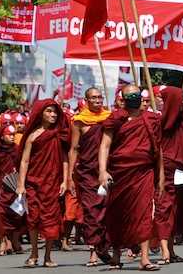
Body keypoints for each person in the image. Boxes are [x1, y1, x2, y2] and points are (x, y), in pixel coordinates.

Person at [98, 84, 164, 271]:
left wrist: (160, 177)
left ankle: (144, 258)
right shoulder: (116, 118)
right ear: (123, 99)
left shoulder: (151, 119)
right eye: (130, 96)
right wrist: (103, 171)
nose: (133, 98)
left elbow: (158, 150)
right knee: (118, 214)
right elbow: (105, 145)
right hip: (120, 172)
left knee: (143, 214)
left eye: (136, 95)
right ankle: (116, 255)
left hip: (143, 172)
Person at [16, 99, 70, 268]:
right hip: (33, 182)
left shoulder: (59, 134)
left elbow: (65, 159)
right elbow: (24, 161)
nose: (53, 115)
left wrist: (65, 180)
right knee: (33, 218)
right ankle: (33, 253)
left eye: (54, 112)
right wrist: (21, 184)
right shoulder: (32, 136)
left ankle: (47, 255)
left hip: (52, 183)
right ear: (40, 114)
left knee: (51, 219)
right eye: (48, 111)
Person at [68, 87, 112, 266]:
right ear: (86, 100)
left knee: (106, 210)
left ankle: (105, 247)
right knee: (91, 212)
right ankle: (94, 250)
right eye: (93, 98)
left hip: (107, 170)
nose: (98, 100)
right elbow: (74, 149)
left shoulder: (109, 117)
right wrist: (70, 175)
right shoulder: (79, 121)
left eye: (100, 97)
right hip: (87, 172)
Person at [153, 86, 183, 264]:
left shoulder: (180, 118)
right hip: (166, 167)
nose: (159, 100)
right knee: (164, 207)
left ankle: (170, 249)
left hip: (180, 169)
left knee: (175, 209)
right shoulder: (160, 120)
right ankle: (164, 252)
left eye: (163, 98)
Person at [0, 124, 24, 256]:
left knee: (17, 214)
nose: (12, 137)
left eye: (13, 135)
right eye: (9, 135)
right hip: (0, 187)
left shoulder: (18, 149)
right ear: (2, 136)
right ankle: (2, 241)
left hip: (15, 187)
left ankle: (14, 239)